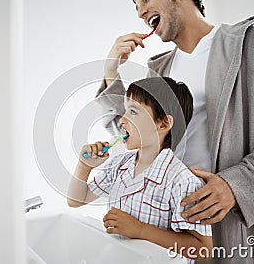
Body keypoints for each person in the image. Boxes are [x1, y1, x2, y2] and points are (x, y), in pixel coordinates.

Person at [95, 0, 254, 263]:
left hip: (233, 229)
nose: (140, 12)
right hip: (171, 234)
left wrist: (235, 186)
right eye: (136, 5)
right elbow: (134, 136)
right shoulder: (157, 72)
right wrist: (110, 71)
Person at [68, 77, 213, 262]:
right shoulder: (120, 165)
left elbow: (203, 250)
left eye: (133, 112)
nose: (122, 120)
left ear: (163, 124)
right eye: (125, 110)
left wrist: (141, 230)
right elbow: (75, 200)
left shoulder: (182, 181)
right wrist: (84, 166)